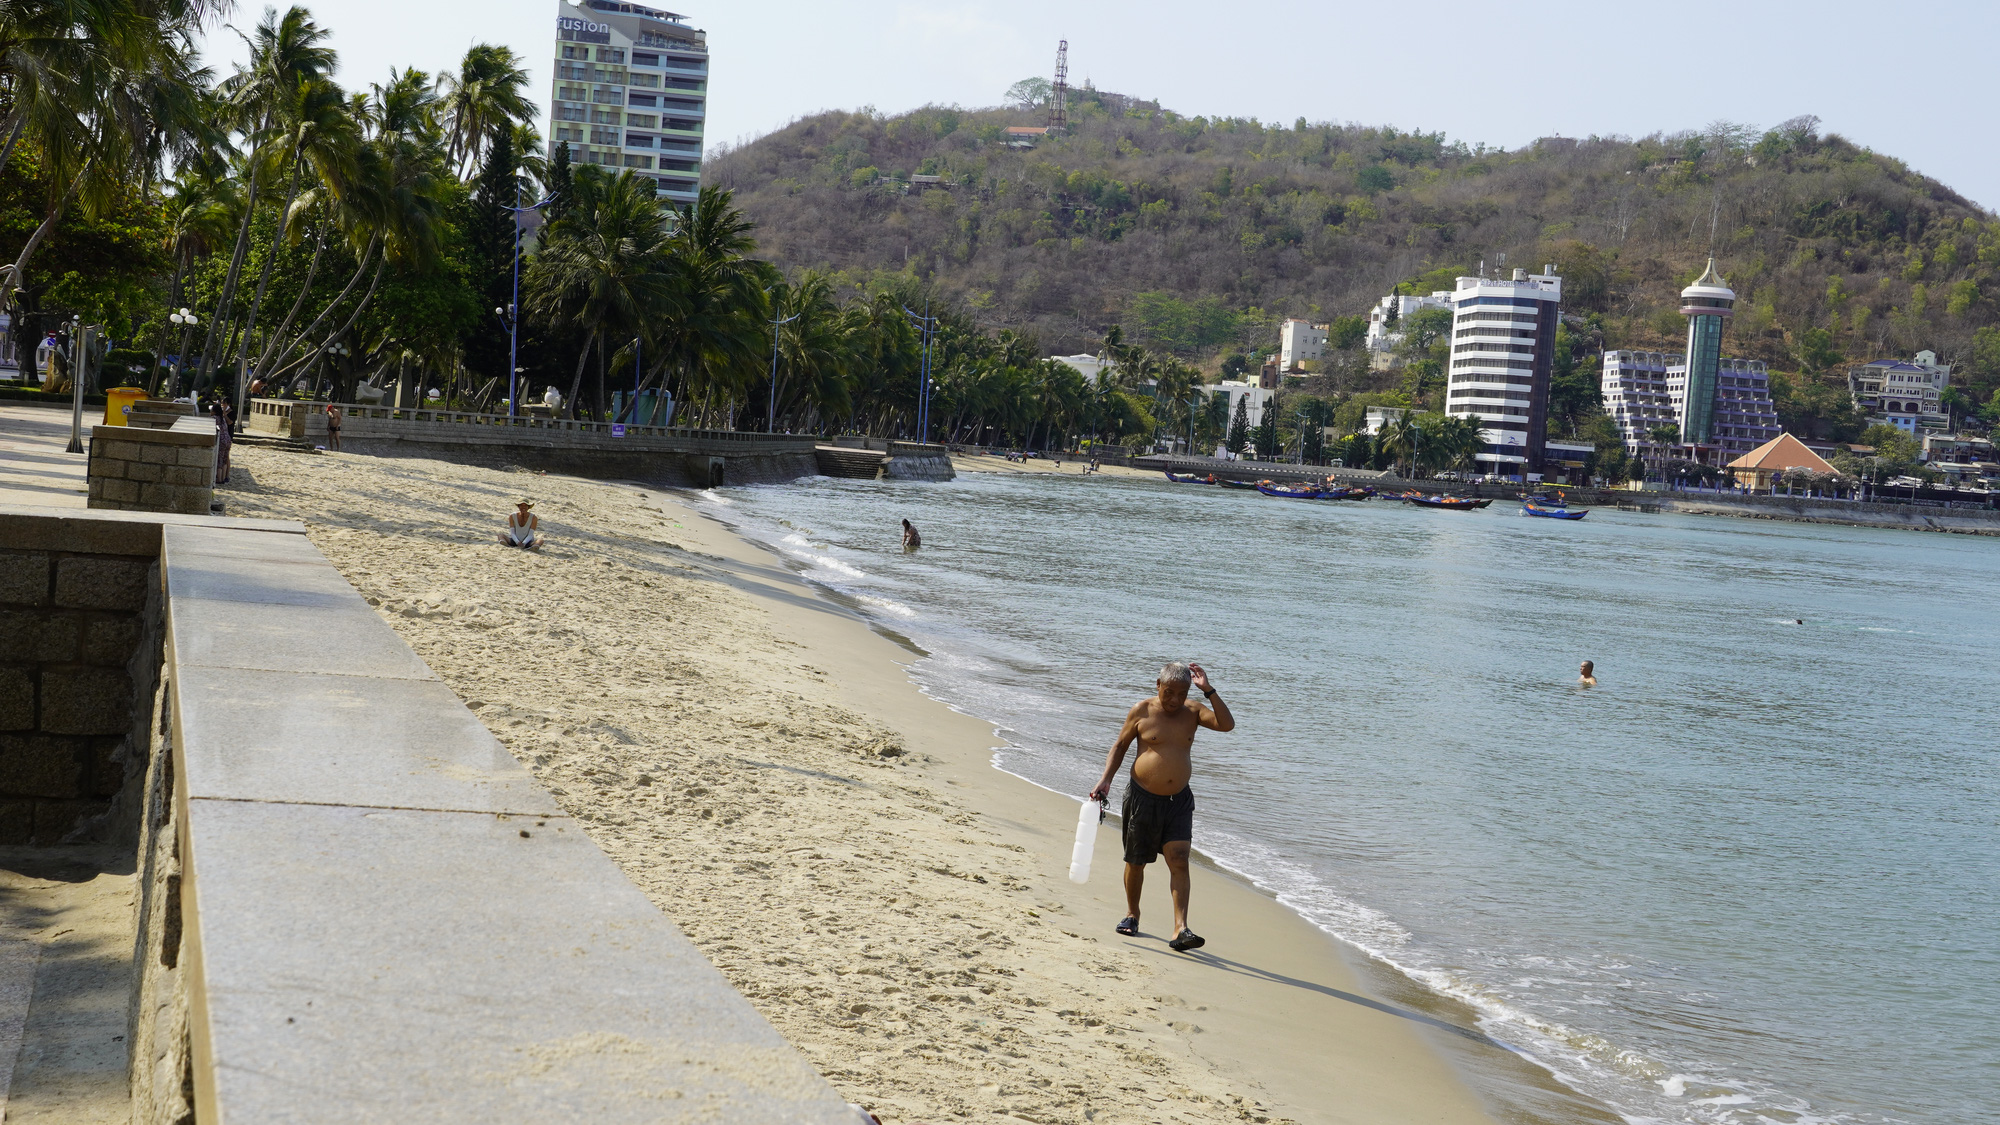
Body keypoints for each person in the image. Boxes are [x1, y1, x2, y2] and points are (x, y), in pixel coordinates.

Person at [1087, 661, 1235, 952]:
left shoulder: (1192, 712)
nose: (1174, 700)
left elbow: (1226, 725)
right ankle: (1132, 914)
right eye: (1169, 692)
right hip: (1143, 797)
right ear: (1158, 685)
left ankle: (1181, 928)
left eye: (1181, 693)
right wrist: (1105, 780)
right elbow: (1120, 746)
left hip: (1178, 800)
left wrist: (1208, 690)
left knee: (1179, 859)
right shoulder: (1142, 710)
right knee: (1135, 860)